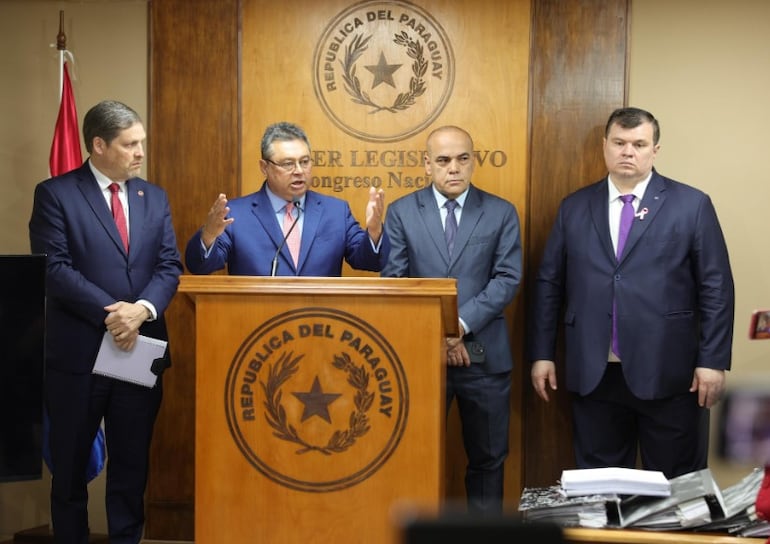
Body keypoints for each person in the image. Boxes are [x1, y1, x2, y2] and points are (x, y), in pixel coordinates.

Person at [529, 107, 734, 479]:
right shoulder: (574, 207)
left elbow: (716, 287)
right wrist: (542, 354)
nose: (628, 152)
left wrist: (713, 360)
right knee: (601, 490)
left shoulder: (691, 205)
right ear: (604, 146)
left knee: (679, 488)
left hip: (672, 372)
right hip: (595, 372)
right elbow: (549, 285)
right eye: (620, 143)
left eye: (639, 144)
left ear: (655, 150)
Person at [29, 100, 183, 544]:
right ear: (98, 145)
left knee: (131, 467)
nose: (139, 153)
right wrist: (115, 313)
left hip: (140, 349)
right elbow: (54, 269)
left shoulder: (153, 197)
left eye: (141, 143)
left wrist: (142, 311)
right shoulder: (56, 193)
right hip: (79, 354)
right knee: (71, 469)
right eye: (129, 144)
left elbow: (168, 266)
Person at [381, 125, 522, 514]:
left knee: (488, 460)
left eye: (462, 159)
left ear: (473, 161)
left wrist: (456, 327)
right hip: (421, 358)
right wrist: (439, 336)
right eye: (443, 160)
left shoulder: (500, 212)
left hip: (485, 357)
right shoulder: (402, 212)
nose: (454, 168)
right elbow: (395, 282)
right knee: (415, 459)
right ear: (427, 164)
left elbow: (507, 279)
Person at [185, 121, 389, 276]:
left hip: (323, 324)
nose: (299, 171)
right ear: (264, 167)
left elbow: (371, 262)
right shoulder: (236, 214)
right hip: (257, 324)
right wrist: (209, 235)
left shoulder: (336, 212)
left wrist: (374, 231)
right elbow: (199, 266)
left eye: (305, 161)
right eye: (288, 164)